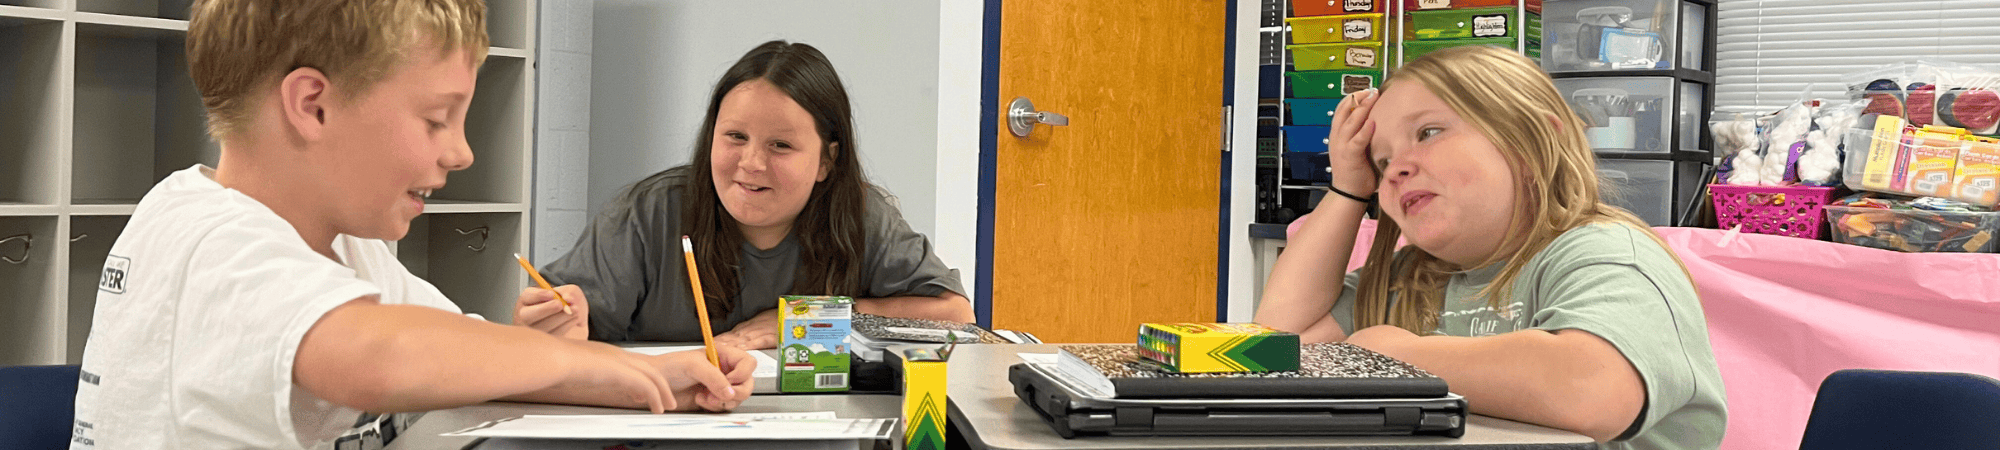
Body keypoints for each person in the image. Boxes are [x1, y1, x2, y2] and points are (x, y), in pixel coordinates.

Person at [70, 2, 752, 448]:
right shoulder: (201, 237)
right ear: (313, 105)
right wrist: (595, 365)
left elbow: (468, 356)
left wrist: (661, 373)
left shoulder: (347, 249)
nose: (461, 152)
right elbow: (380, 357)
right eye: (436, 119)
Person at [1253, 45, 1726, 450]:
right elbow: (1274, 345)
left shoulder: (1608, 254)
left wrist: (1397, 354)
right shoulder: (1410, 277)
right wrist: (1348, 189)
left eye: (1428, 133)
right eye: (1381, 162)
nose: (1395, 169)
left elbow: (1593, 388)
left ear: (1533, 143)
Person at [517, 41, 972, 349]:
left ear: (827, 161)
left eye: (781, 145)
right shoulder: (648, 214)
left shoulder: (861, 216)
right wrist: (554, 328)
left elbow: (954, 314)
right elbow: (552, 339)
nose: (751, 164)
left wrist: (801, 320)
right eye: (735, 136)